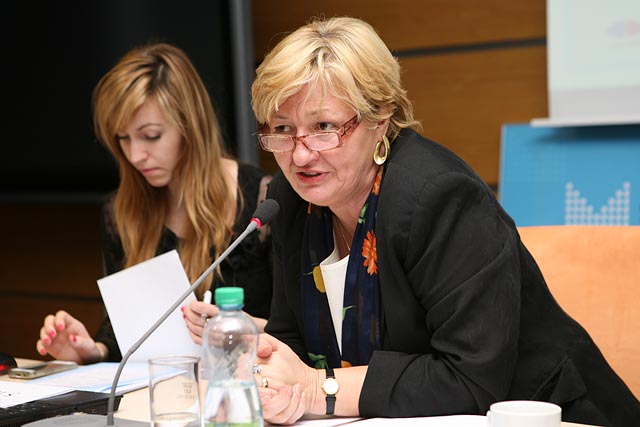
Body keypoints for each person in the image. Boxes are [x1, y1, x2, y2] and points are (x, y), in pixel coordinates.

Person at [249, 16, 639, 426]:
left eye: (324, 127)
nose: (300, 155)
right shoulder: (290, 201)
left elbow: (470, 379)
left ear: (379, 118)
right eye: (282, 129)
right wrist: (275, 381)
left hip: (550, 414)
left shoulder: (438, 197)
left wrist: (319, 388)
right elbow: (292, 342)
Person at [35, 42, 272, 364]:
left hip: (249, 383)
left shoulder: (263, 201)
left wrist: (238, 328)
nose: (135, 155)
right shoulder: (120, 212)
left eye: (150, 136)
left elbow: (296, 333)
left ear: (190, 126)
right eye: (123, 138)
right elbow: (125, 336)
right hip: (159, 388)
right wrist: (91, 351)